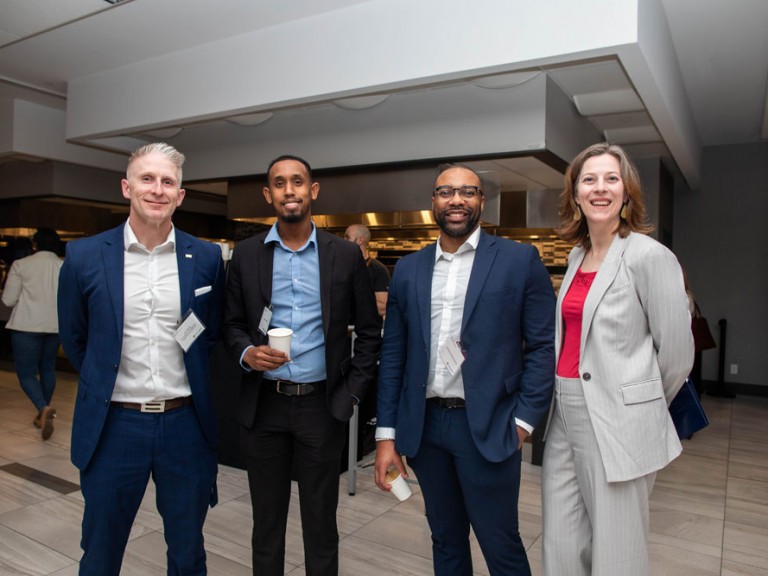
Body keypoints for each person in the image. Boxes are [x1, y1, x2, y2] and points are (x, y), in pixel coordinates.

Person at [374, 164, 556, 576]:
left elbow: (544, 347)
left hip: (490, 426)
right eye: (446, 192)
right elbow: (395, 355)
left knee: (500, 543)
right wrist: (387, 436)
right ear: (433, 202)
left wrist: (524, 420)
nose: (457, 200)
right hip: (426, 429)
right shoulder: (408, 269)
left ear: (481, 202)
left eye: (467, 192)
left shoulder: (519, 260)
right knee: (446, 540)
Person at [57, 142, 225, 575]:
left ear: (180, 195)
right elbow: (76, 339)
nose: (157, 189)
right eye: (147, 179)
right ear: (126, 187)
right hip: (115, 425)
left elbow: (210, 334)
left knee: (188, 551)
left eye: (168, 181)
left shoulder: (205, 258)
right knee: (100, 550)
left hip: (185, 425)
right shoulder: (84, 256)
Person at [222, 155, 381, 576]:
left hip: (321, 406)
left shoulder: (344, 255)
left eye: (297, 182)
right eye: (279, 183)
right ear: (268, 195)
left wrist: (350, 396)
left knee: (321, 524)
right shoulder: (247, 254)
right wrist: (247, 353)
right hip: (264, 405)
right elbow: (233, 324)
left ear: (312, 191)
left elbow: (369, 332)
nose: (288, 190)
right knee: (266, 525)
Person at [541, 142, 694, 576]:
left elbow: (678, 357)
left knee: (617, 553)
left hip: (619, 421)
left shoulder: (650, 256)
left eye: (611, 179)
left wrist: (637, 406)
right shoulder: (575, 256)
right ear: (575, 195)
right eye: (589, 179)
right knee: (561, 542)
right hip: (564, 413)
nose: (600, 188)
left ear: (627, 192)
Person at [2, 228, 62, 440]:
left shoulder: (21, 265)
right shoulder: (64, 266)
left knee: (26, 374)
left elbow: (8, 300)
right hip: (55, 327)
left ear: (35, 244)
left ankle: (43, 408)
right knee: (47, 368)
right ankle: (42, 414)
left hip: (26, 326)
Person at [344, 223, 390, 317]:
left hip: (367, 330)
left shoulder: (379, 270)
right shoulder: (340, 266)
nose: (344, 241)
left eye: (347, 238)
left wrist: (353, 298)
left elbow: (383, 307)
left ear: (360, 240)